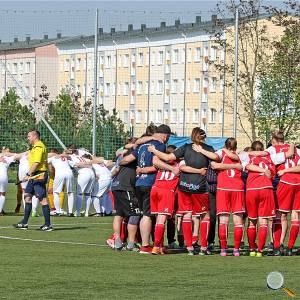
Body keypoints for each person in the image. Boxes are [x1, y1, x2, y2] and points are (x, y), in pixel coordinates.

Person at [149, 128, 215, 255]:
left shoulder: (185, 148)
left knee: (186, 215)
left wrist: (154, 151)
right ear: (204, 137)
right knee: (204, 215)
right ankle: (203, 247)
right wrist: (202, 155)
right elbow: (216, 158)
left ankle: (188, 247)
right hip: (198, 187)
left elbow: (167, 157)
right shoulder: (208, 148)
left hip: (182, 186)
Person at [120, 124, 171, 254]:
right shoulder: (159, 145)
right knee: (149, 216)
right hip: (150, 183)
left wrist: (119, 161)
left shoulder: (142, 145)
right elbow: (156, 164)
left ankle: (153, 243)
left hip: (138, 183)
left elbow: (128, 159)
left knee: (145, 214)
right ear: (165, 135)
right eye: (168, 136)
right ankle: (145, 245)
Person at [243, 141, 288, 257]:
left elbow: (245, 164)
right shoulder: (271, 157)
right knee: (263, 221)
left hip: (252, 189)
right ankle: (260, 250)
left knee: (252, 221)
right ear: (263, 149)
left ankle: (252, 248)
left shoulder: (248, 156)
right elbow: (287, 155)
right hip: (266, 188)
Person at [265, 131, 300, 256]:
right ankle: (289, 249)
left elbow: (264, 157)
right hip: (298, 183)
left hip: (286, 183)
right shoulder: (296, 149)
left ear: (274, 140)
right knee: (295, 217)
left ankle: (276, 248)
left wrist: (284, 171)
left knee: (279, 215)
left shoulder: (273, 150)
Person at [208, 138, 245, 257]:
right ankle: (236, 249)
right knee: (238, 221)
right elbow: (240, 166)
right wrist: (233, 166)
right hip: (237, 188)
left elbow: (214, 163)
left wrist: (221, 164)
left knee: (223, 220)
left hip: (223, 188)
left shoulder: (220, 153)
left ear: (225, 145)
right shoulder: (242, 155)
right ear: (236, 146)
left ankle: (223, 249)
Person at [13, 130, 52, 231]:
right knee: (27, 196)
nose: (28, 138)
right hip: (33, 176)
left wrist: (28, 174)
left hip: (39, 175)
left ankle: (48, 225)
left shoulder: (39, 146)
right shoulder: (34, 147)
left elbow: (36, 163)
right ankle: (24, 223)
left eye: (29, 136)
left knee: (42, 199)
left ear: (35, 136)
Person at [48, 150, 75, 216]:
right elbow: (73, 163)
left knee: (56, 192)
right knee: (70, 192)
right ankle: (70, 212)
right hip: (69, 173)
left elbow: (48, 166)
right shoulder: (65, 157)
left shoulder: (52, 158)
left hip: (59, 174)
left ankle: (58, 211)